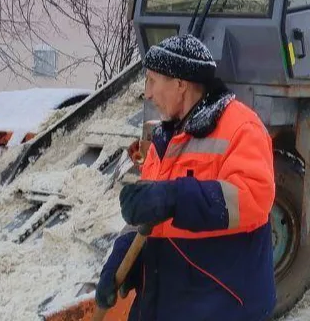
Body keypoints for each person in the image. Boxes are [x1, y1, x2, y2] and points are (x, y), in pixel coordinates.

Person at [95, 34, 276, 320]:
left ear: (180, 84)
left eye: (153, 81)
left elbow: (254, 199)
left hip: (218, 302)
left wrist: (175, 197)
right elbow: (148, 216)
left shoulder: (241, 127)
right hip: (163, 300)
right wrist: (119, 260)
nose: (149, 93)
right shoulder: (163, 139)